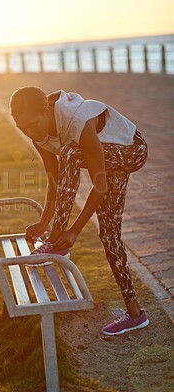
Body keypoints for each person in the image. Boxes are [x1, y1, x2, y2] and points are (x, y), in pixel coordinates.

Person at [9, 86, 150, 336]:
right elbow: (55, 181)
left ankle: (57, 240)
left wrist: (73, 231)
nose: (30, 132)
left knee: (71, 152)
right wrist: (43, 222)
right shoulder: (38, 134)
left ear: (46, 111)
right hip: (105, 157)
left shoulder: (77, 120)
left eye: (33, 125)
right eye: (23, 129)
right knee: (109, 236)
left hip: (132, 149)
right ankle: (135, 313)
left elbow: (99, 185)